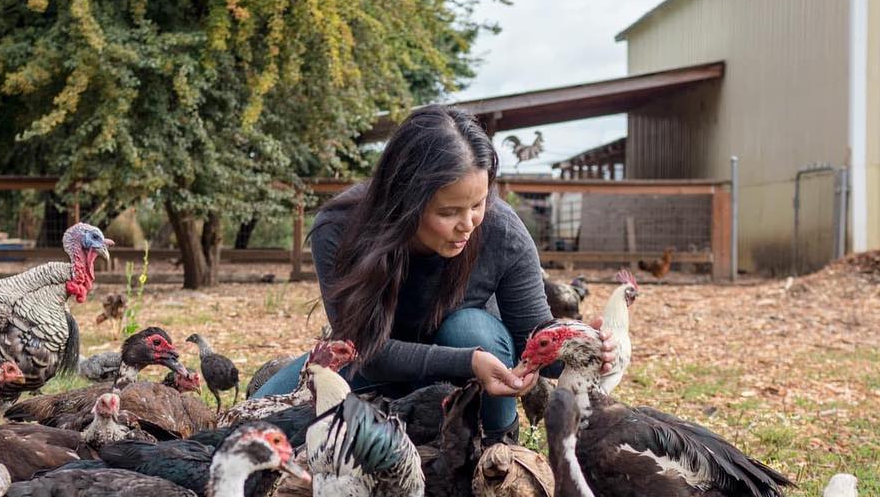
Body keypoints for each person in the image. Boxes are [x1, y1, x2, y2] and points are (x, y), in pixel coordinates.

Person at [254, 104, 613, 441]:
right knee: (255, 427)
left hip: (471, 377)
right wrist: (468, 361)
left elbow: (532, 342)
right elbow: (361, 349)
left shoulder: (503, 233)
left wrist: (579, 349)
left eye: (478, 203)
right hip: (377, 365)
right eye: (448, 212)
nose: (468, 223)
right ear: (405, 202)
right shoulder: (341, 226)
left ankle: (494, 442)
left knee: (469, 328)